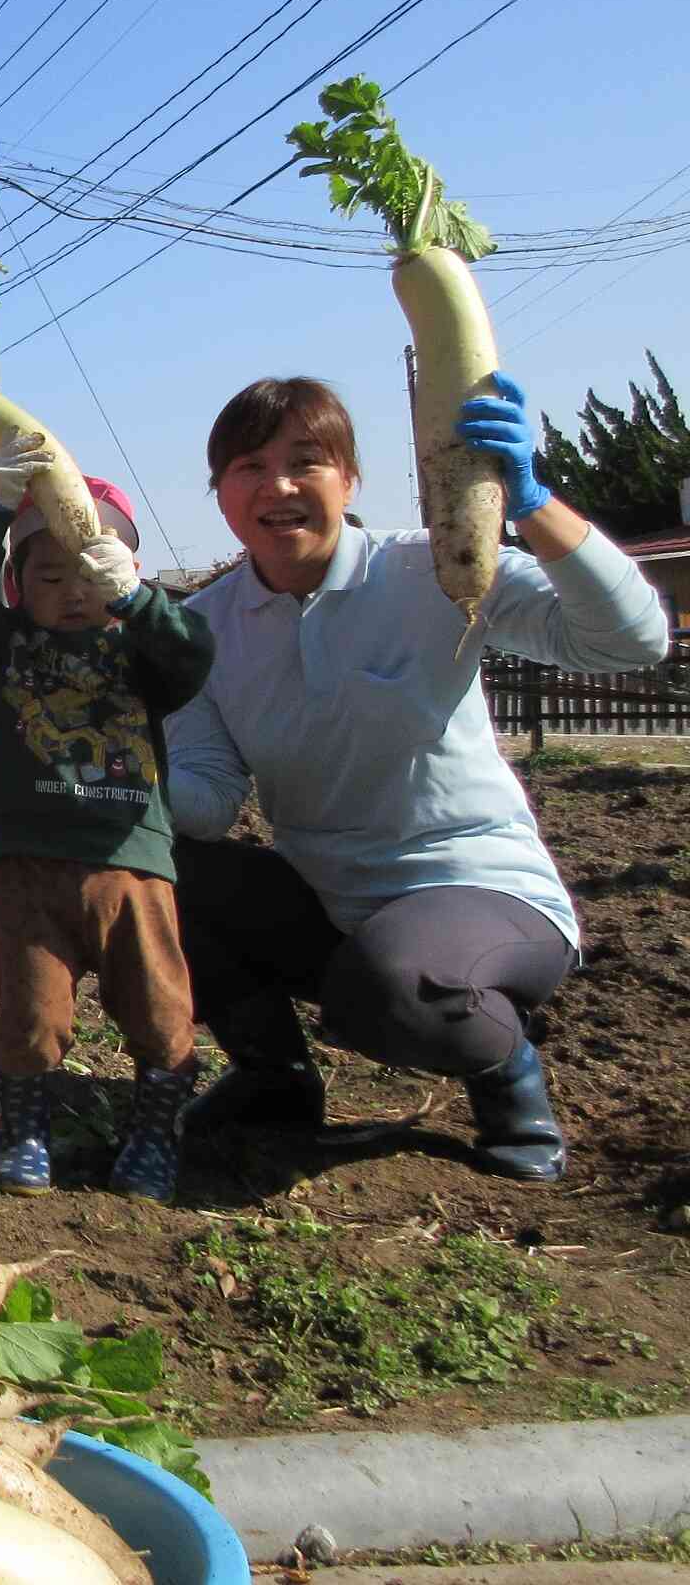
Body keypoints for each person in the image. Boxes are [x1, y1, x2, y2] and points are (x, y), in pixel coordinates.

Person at [167, 375, 669, 1182]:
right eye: (250, 466)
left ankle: (509, 1083)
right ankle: (274, 1080)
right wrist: (115, 775)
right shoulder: (202, 630)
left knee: (396, 988)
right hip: (331, 902)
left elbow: (631, 641)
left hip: (481, 892)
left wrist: (532, 503)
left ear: (350, 479)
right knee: (161, 879)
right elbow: (210, 800)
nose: (280, 486)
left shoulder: (434, 569)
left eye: (307, 461)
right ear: (222, 492)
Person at [0, 440, 216, 1203]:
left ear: (122, 574)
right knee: (29, 1014)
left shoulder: (140, 649)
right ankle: (23, 1128)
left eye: (90, 573)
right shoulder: (4, 649)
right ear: (17, 583)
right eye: (47, 574)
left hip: (133, 863)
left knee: (160, 1011)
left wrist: (141, 601)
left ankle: (156, 1130)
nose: (70, 592)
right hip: (31, 864)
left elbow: (193, 659)